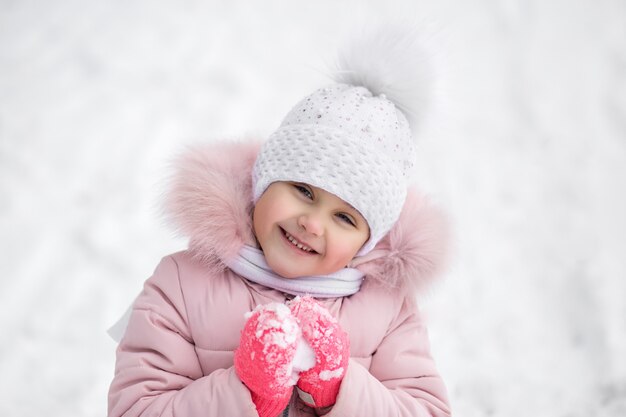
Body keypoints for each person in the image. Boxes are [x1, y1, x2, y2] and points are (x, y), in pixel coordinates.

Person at [108, 24, 451, 417]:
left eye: (344, 217)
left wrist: (338, 388)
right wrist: (248, 392)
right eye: (303, 191)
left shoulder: (389, 312)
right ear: (261, 184)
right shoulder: (181, 286)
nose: (312, 224)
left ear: (367, 242)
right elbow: (135, 409)